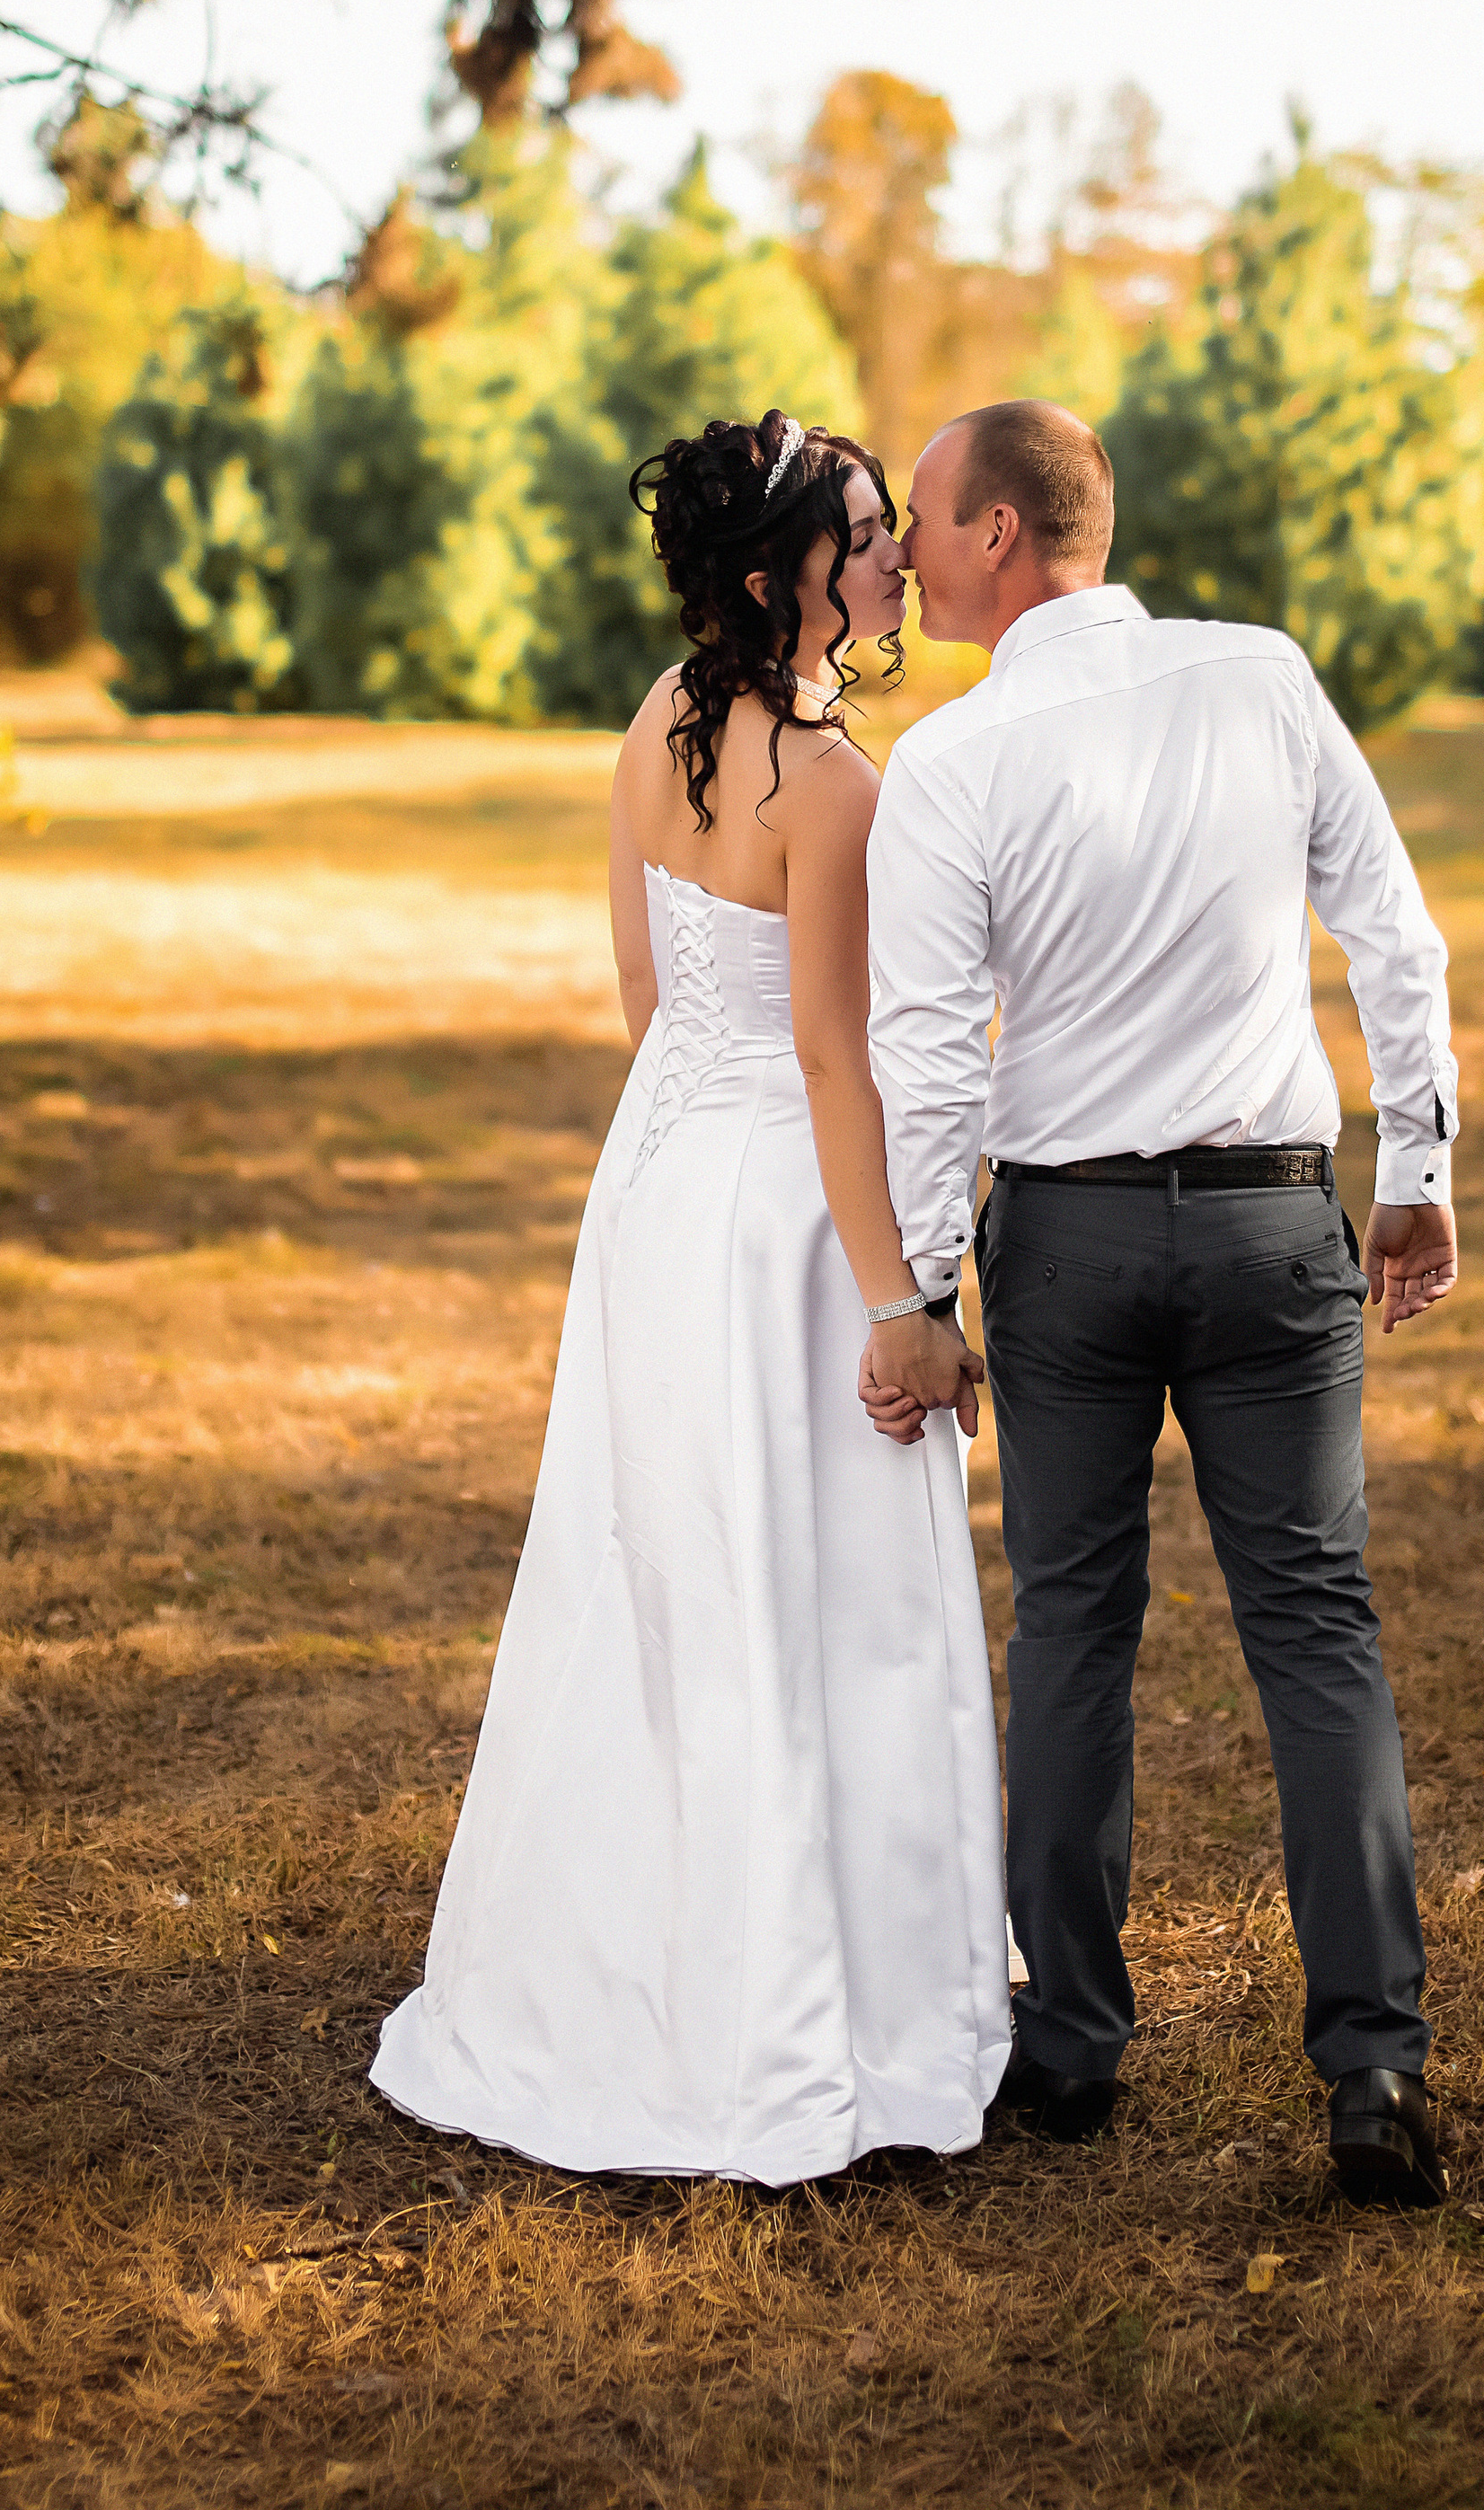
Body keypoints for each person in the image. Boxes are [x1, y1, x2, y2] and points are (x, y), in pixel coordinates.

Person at [369, 411, 1011, 2183]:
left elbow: (648, 992)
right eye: (863, 535)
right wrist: (901, 1301)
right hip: (793, 1229)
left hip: (654, 1194)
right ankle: (825, 2021)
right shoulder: (839, 793)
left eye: (889, 529)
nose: (890, 559)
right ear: (774, 574)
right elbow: (835, 1062)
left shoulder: (659, 717)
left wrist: (686, 1173)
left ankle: (623, 1972)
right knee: (826, 1602)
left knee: (655, 1575)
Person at [860, 399, 1460, 2207]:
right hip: (1278, 1232)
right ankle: (1371, 2074)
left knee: (1071, 1636)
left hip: (1068, 1252)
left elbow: (921, 1053)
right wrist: (1418, 1176)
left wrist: (918, 1285)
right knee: (1314, 1632)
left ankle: (1070, 2054)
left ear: (994, 536)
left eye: (917, 520)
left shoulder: (952, 766)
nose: (897, 551)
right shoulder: (1258, 675)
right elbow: (1397, 935)